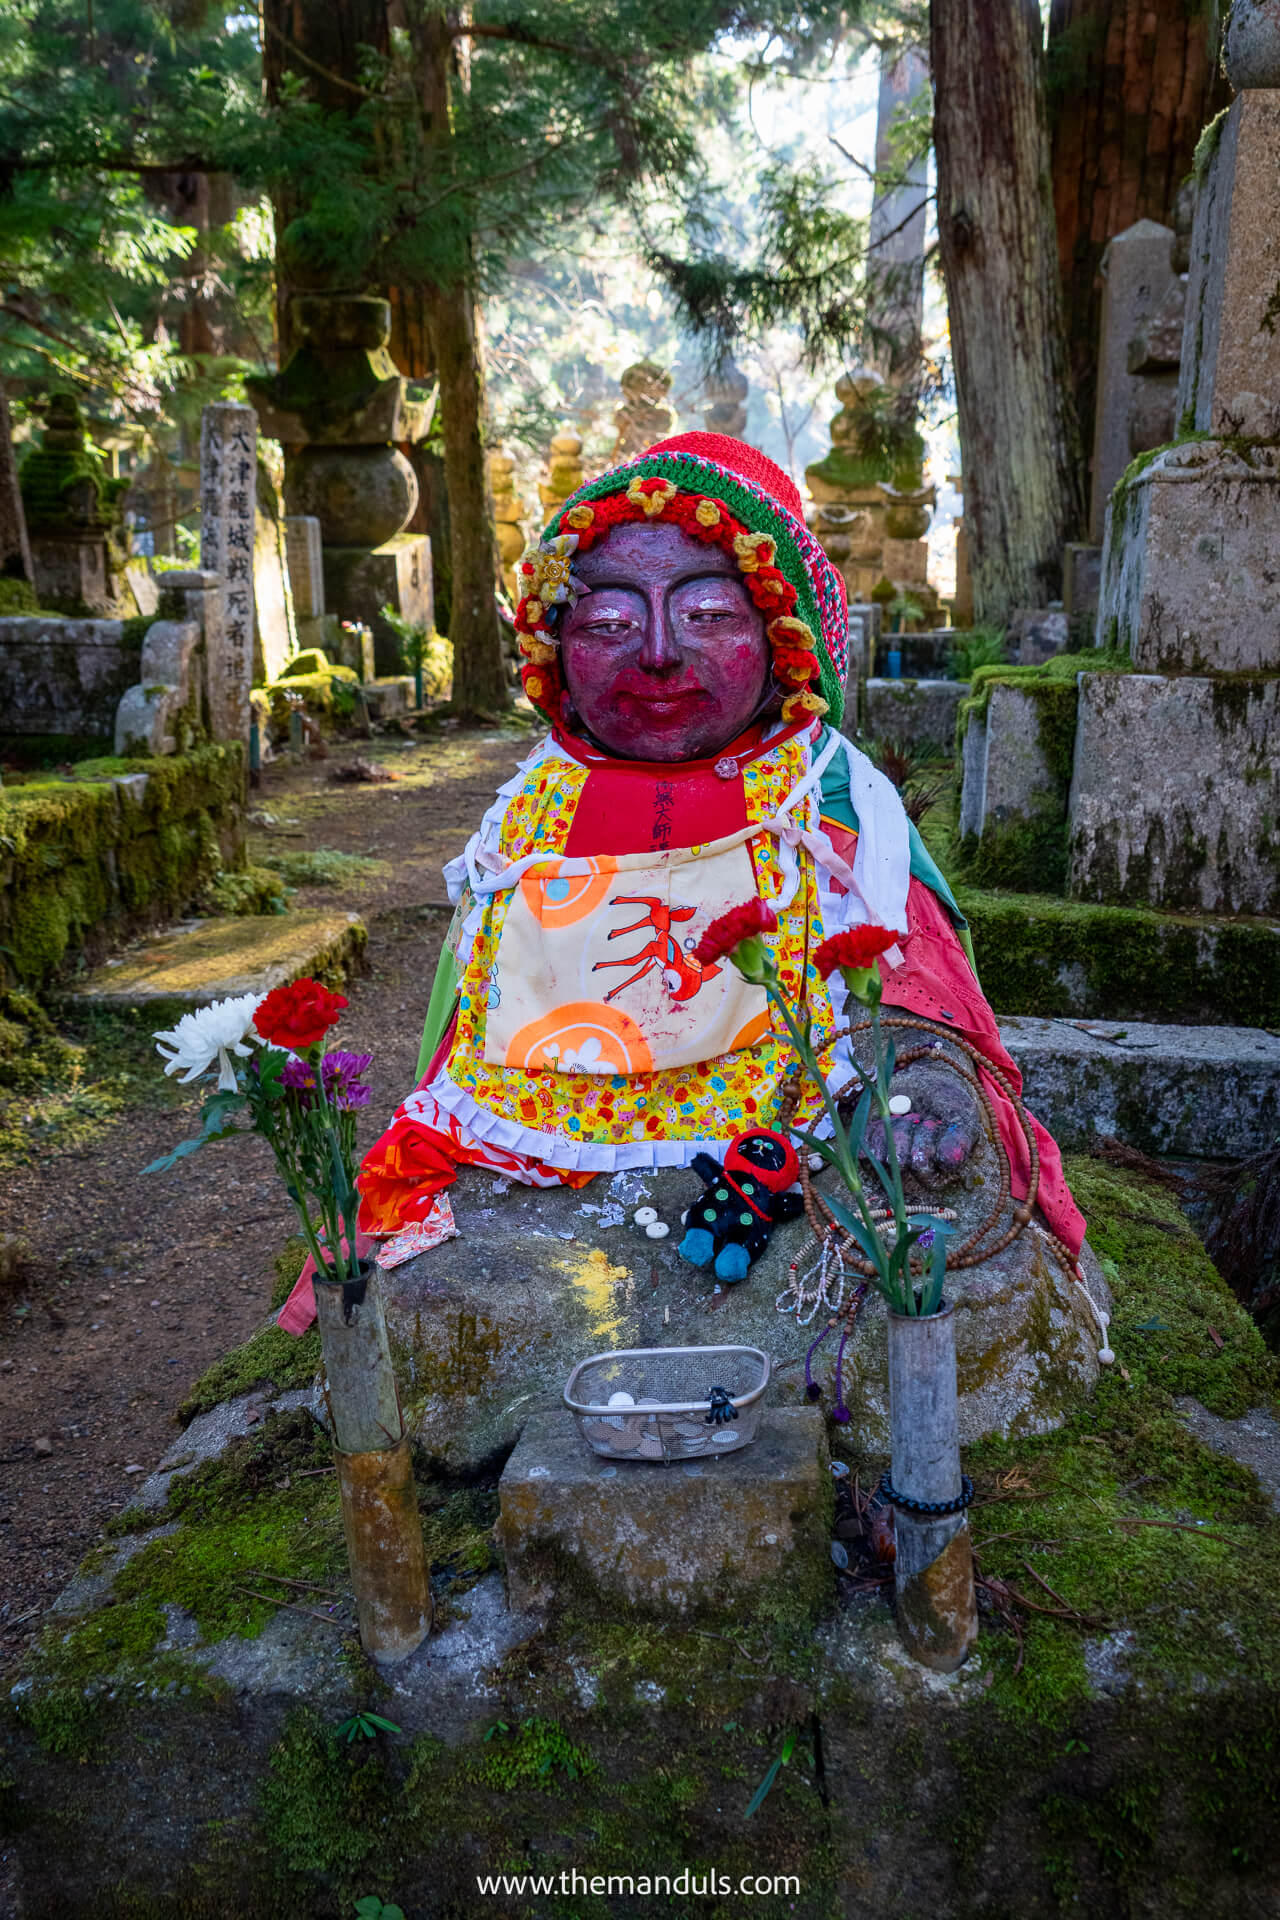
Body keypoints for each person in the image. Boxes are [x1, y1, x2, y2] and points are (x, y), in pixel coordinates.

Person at [357, 432, 1084, 1260]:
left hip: (790, 1119)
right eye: (606, 621)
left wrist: (917, 1069)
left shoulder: (824, 795)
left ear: (782, 643)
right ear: (555, 646)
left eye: (706, 614)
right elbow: (475, 1001)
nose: (660, 653)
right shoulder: (531, 809)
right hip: (534, 1125)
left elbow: (914, 976)